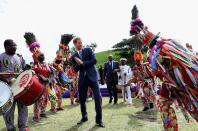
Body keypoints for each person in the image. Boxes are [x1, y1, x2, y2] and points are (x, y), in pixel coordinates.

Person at [71, 37, 104, 127]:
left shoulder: (89, 50)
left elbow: (94, 61)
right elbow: (74, 69)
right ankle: (84, 117)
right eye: (78, 43)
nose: (80, 44)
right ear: (75, 44)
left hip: (93, 77)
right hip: (82, 79)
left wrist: (82, 63)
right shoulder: (73, 56)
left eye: (81, 42)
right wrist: (78, 64)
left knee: (97, 98)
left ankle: (99, 120)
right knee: (82, 100)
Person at [0, 39, 28, 131]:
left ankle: (23, 128)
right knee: (8, 111)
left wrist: (28, 68)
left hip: (20, 88)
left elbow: (24, 71)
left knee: (23, 108)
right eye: (13, 46)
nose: (15, 47)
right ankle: (10, 128)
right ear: (6, 46)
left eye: (16, 46)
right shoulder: (0, 57)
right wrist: (6, 80)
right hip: (6, 90)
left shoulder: (20, 57)